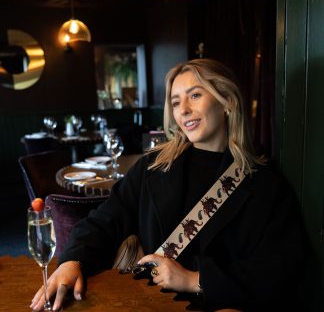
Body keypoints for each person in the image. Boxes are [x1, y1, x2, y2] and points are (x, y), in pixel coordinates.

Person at [30, 59, 307, 312]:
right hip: (150, 303)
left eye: (195, 95)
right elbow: (104, 221)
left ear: (228, 102)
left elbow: (278, 269)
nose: (184, 110)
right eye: (175, 102)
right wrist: (72, 261)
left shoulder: (265, 184)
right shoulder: (153, 167)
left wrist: (194, 279)